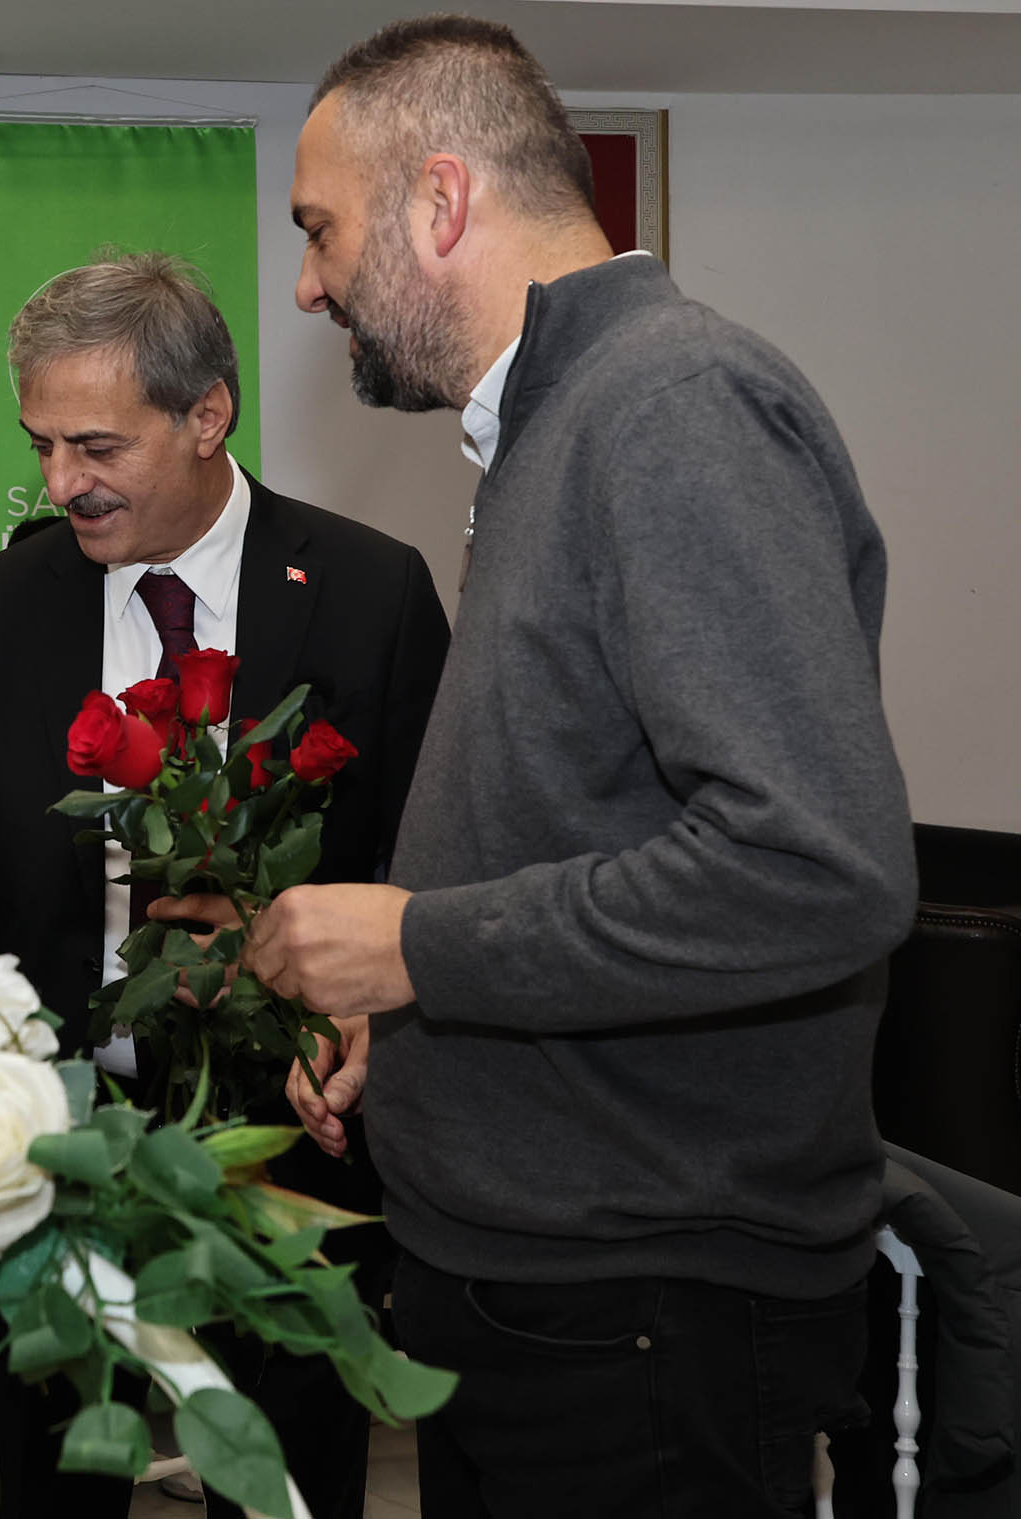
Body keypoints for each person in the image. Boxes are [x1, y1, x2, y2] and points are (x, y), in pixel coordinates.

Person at [259, 17, 917, 1517]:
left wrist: (422, 945)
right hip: (539, 1285)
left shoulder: (669, 406)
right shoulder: (556, 424)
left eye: (320, 228)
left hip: (641, 1309)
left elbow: (814, 866)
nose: (307, 284)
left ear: (439, 202)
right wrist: (412, 1022)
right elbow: (585, 812)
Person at [0, 251, 452, 1519]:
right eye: (41, 445)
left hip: (286, 1143)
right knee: (54, 1481)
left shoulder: (368, 594)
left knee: (279, 1483)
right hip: (58, 1137)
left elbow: (421, 874)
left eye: (94, 446)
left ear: (208, 414)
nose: (60, 483)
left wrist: (351, 1025)